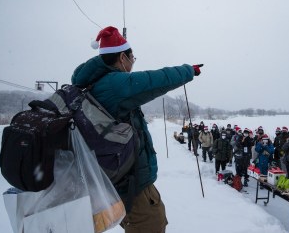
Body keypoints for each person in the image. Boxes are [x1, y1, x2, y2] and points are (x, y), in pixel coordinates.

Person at [71, 26, 202, 233]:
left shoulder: (95, 82)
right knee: (151, 224)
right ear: (123, 57)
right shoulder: (114, 84)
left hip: (117, 176)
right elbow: (155, 79)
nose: (133, 62)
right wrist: (188, 71)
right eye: (133, 57)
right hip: (131, 182)